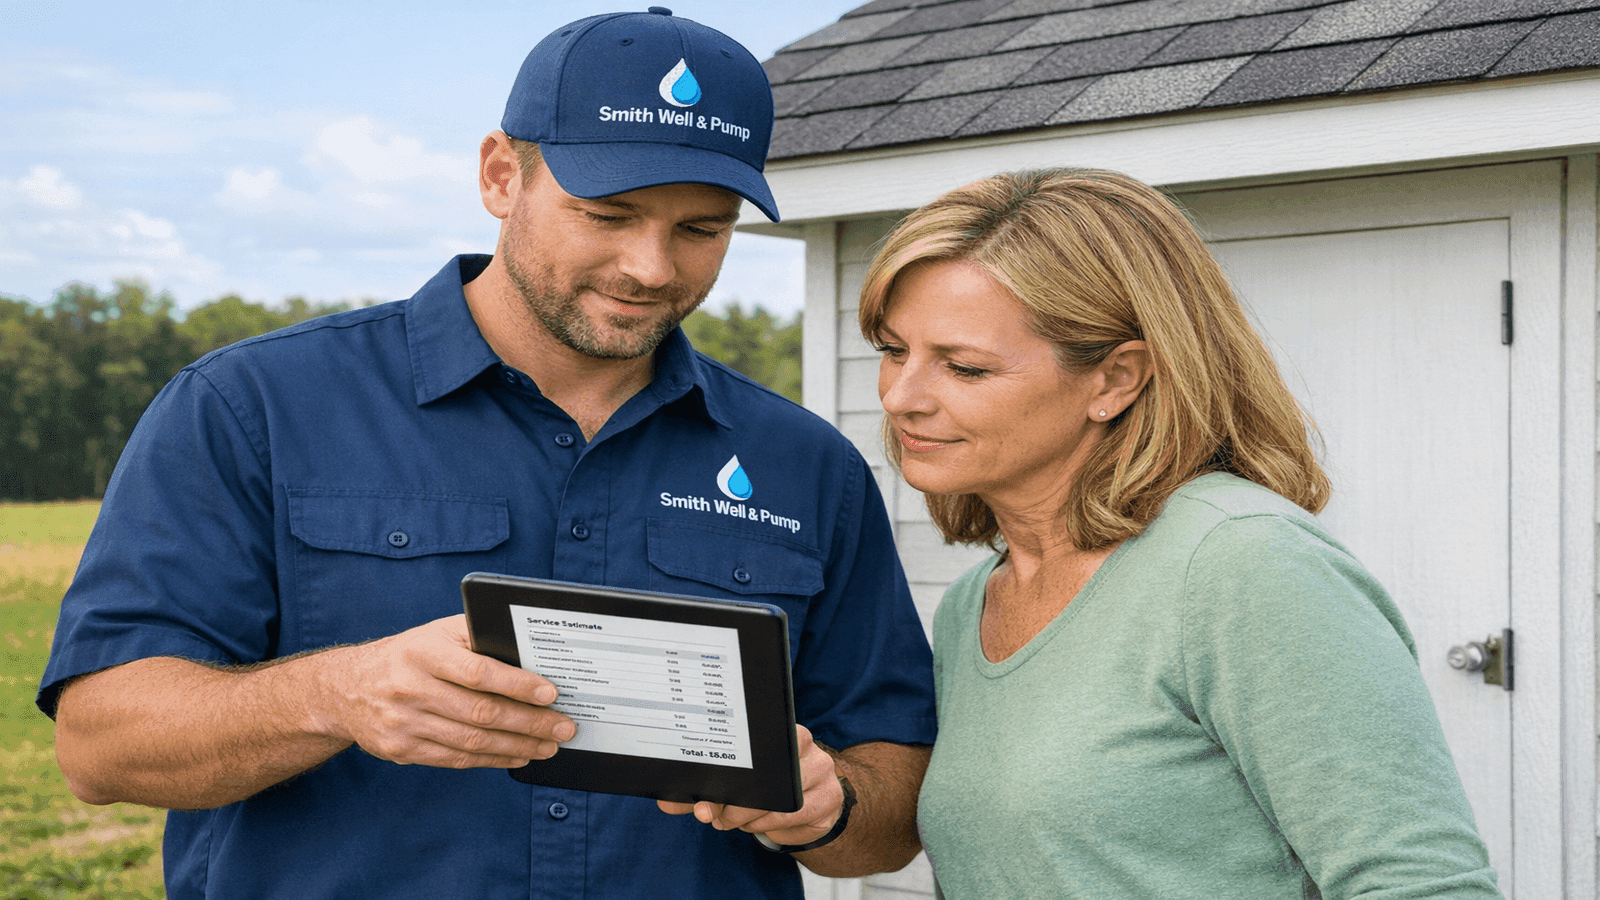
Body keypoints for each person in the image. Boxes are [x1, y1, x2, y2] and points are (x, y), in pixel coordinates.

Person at [38, 9, 935, 899]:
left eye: (702, 229)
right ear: (502, 174)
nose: (652, 267)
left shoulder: (808, 466)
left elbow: (891, 808)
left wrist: (831, 808)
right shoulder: (250, 408)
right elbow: (100, 746)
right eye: (606, 214)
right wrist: (337, 693)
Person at [859, 168, 1503, 899]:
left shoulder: (1244, 564)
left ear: (1115, 380)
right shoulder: (973, 604)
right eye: (891, 350)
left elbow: (1421, 883)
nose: (901, 397)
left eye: (964, 367)